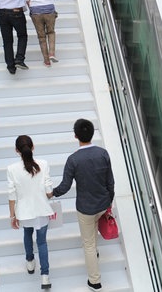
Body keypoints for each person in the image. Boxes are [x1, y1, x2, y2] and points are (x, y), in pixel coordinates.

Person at [51, 119, 114, 292]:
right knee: (93, 237)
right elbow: (110, 181)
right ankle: (96, 254)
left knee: (88, 244)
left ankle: (95, 281)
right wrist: (109, 201)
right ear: (92, 133)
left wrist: (51, 193)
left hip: (85, 207)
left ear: (76, 135)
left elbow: (64, 187)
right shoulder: (103, 153)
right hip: (103, 203)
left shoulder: (73, 160)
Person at [8, 135, 54, 289]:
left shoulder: (12, 169)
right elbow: (48, 191)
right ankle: (45, 277)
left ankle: (29, 262)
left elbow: (11, 195)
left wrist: (12, 216)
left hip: (24, 212)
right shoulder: (43, 164)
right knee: (42, 242)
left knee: (27, 234)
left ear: (16, 150)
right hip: (41, 209)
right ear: (33, 147)